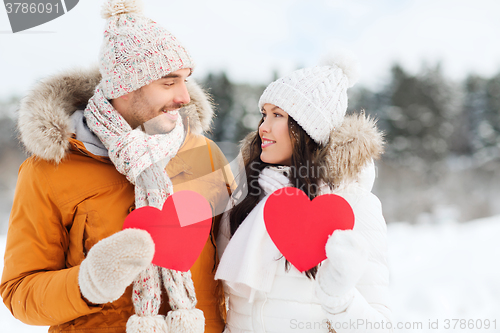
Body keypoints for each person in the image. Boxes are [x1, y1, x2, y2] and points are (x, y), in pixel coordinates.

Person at [0, 1, 233, 332]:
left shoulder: (202, 153)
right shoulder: (48, 171)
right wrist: (88, 283)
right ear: (124, 88)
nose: (184, 97)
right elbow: (19, 292)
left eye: (185, 80)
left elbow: (241, 256)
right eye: (169, 82)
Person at [215, 56, 393, 333]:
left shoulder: (355, 205)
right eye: (264, 114)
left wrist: (339, 298)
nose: (263, 126)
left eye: (278, 115)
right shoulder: (246, 196)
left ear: (307, 130)